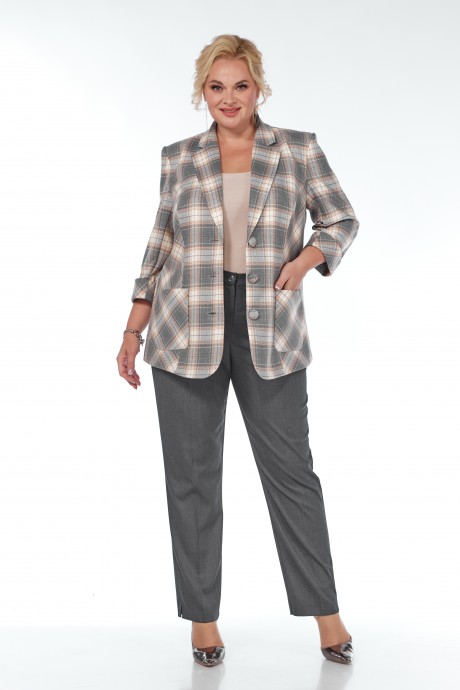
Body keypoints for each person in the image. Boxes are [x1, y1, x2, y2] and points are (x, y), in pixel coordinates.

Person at [116, 34, 359, 667]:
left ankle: (327, 615)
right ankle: (203, 622)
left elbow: (340, 219)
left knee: (292, 475)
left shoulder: (297, 149)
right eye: (217, 86)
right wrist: (133, 329)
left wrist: (305, 261)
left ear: (259, 89)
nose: (229, 98)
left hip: (271, 327)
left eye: (241, 86)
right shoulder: (179, 157)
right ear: (203, 91)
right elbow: (160, 243)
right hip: (183, 327)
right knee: (192, 480)